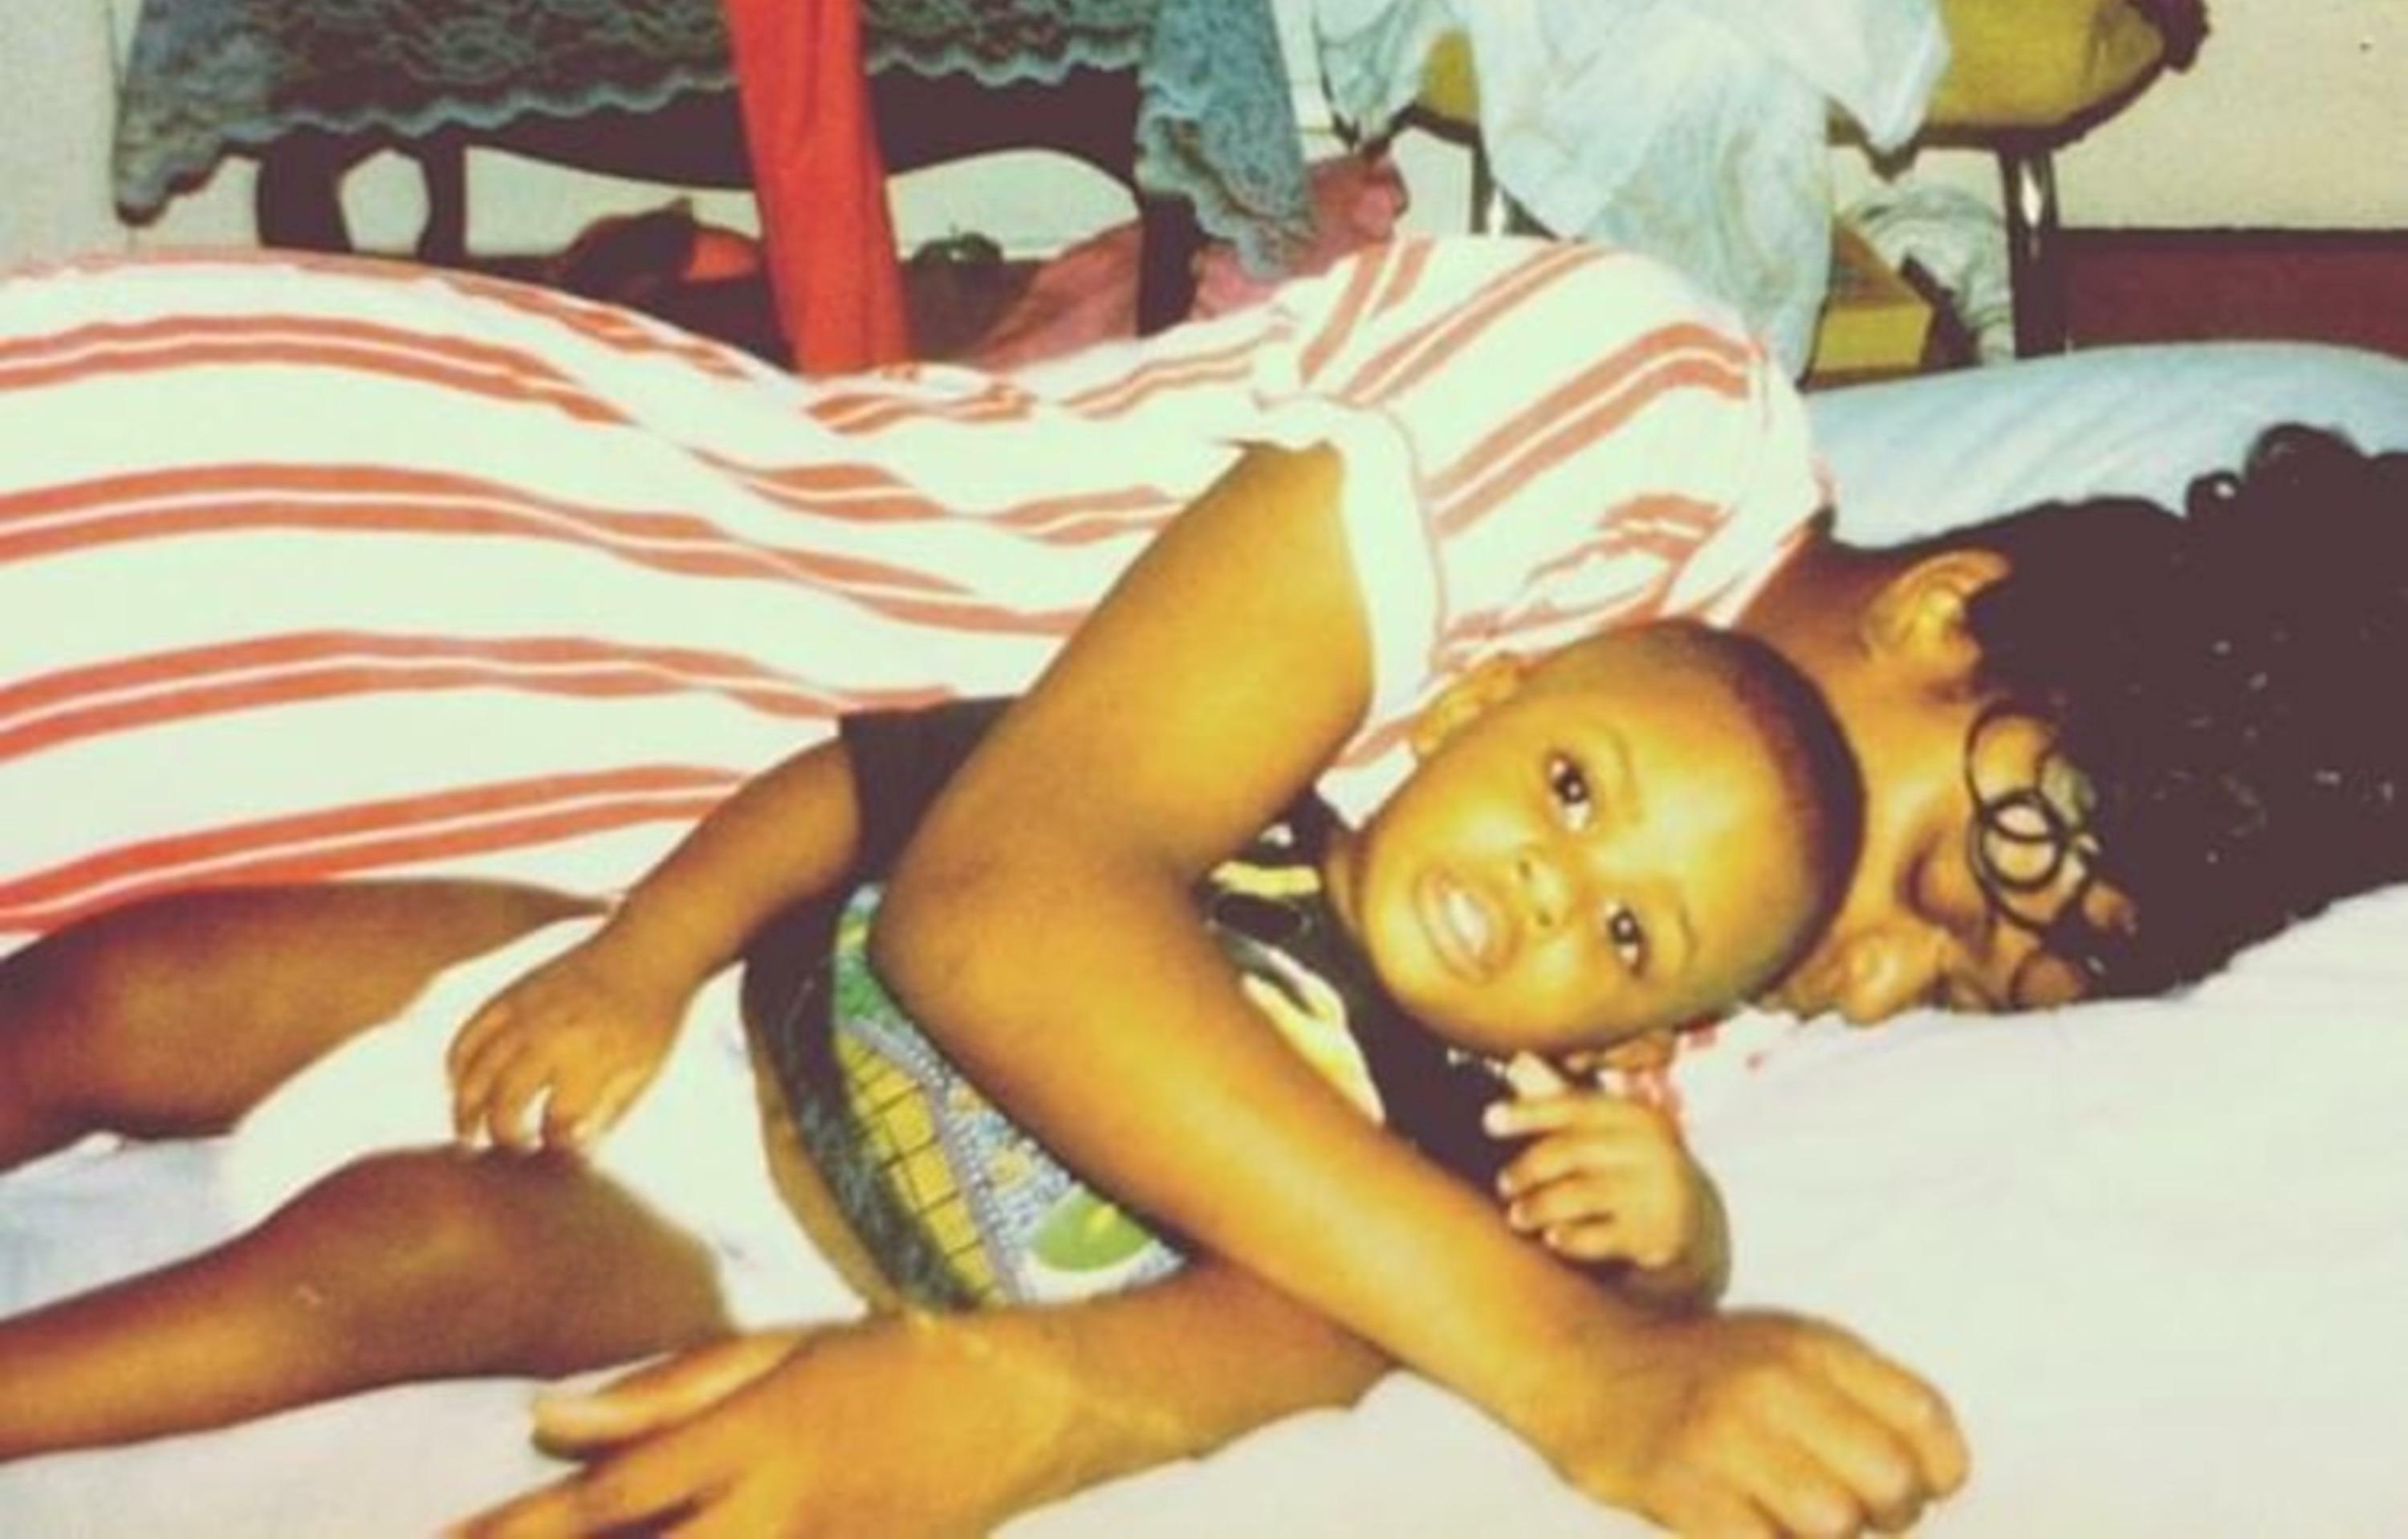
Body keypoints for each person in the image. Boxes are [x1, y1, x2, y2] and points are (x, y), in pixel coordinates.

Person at [4, 235, 2402, 1535]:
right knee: (101, 1000)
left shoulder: (1698, 986)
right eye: (1941, 885)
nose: (1871, 981)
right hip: (431, 592)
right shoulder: (1642, 413)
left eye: (1957, 995)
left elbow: (1365, 1242)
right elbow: (1009, 897)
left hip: (576, 988)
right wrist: (1583, 1372)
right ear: (1953, 608)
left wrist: (1027, 1397)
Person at [0, 617, 1858, 1461]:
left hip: (746, 1248)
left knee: (406, 1249)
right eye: (1570, 789)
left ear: (1651, 1029)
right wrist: (639, 954)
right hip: (696, 996)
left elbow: (1561, 1320)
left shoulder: (1456, 1133)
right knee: (137, 986)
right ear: (1480, 701)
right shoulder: (1204, 778)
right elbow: (864, 789)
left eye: (1629, 934)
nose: (1551, 883)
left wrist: (1676, 1243)